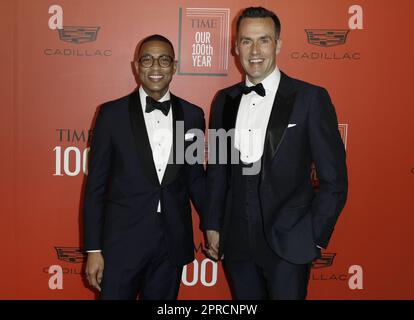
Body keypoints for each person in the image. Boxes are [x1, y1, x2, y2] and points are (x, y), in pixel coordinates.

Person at [204, 7, 348, 299]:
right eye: (246, 41)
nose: (255, 50)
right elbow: (218, 169)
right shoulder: (224, 100)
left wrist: (314, 236)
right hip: (237, 243)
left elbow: (335, 180)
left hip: (290, 243)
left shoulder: (310, 98)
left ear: (278, 44)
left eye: (264, 40)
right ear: (236, 47)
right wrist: (212, 224)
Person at [83, 34, 205, 300]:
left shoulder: (193, 115)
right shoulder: (111, 114)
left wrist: (214, 224)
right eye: (147, 60)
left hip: (171, 243)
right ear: (136, 66)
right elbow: (96, 187)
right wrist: (93, 249)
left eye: (164, 60)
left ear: (174, 66)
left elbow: (196, 178)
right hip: (121, 243)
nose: (156, 67)